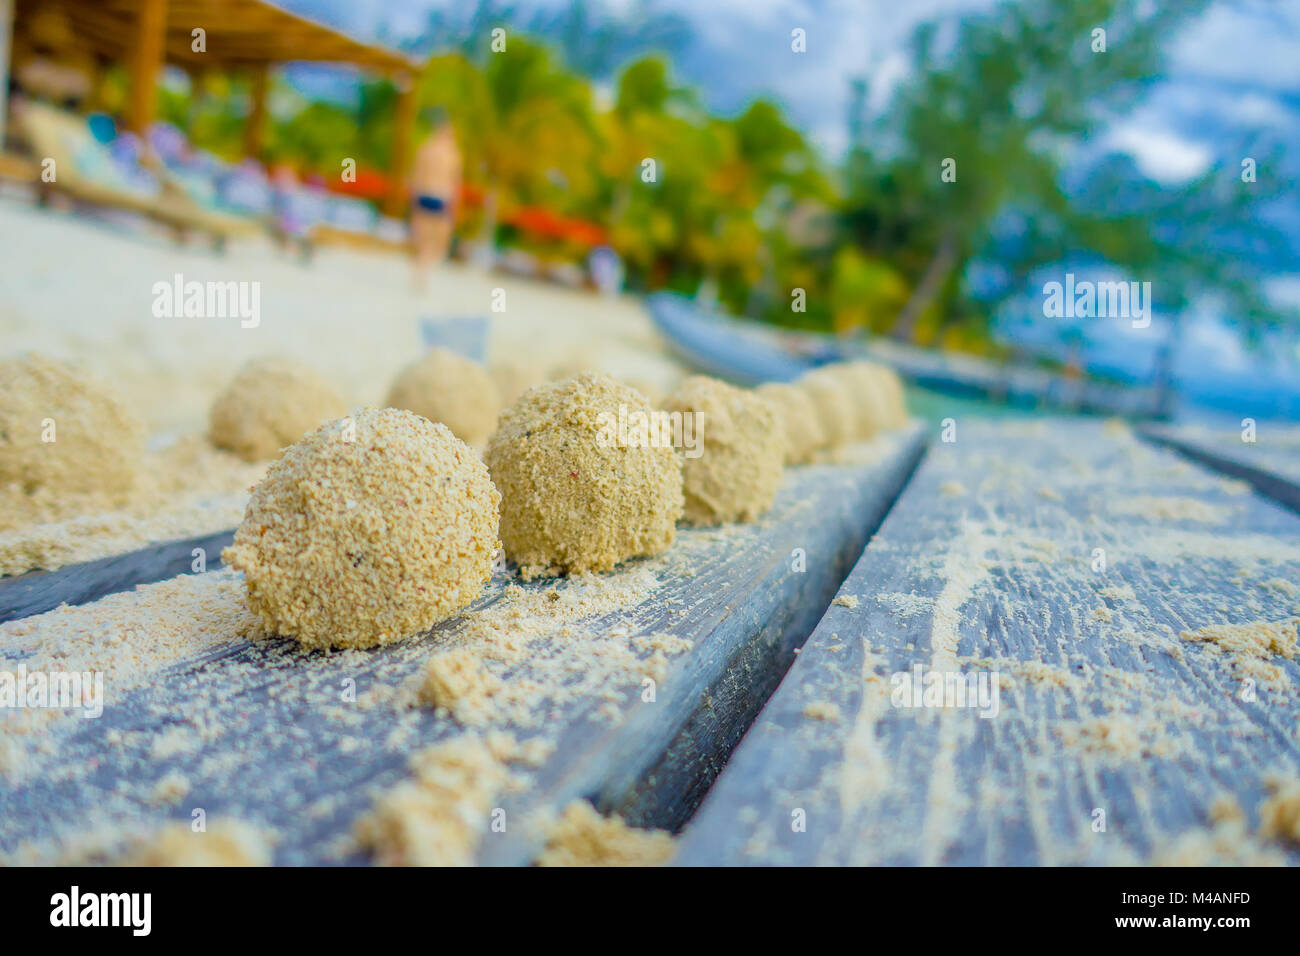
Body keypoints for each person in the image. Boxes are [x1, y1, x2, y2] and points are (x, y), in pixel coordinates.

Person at [410, 110, 462, 291]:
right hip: (441, 197)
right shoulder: (453, 154)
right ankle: (424, 268)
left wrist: (413, 201)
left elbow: (416, 176)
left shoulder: (425, 148)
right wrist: (454, 208)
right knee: (438, 240)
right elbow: (455, 183)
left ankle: (420, 269)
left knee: (422, 237)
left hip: (423, 195)